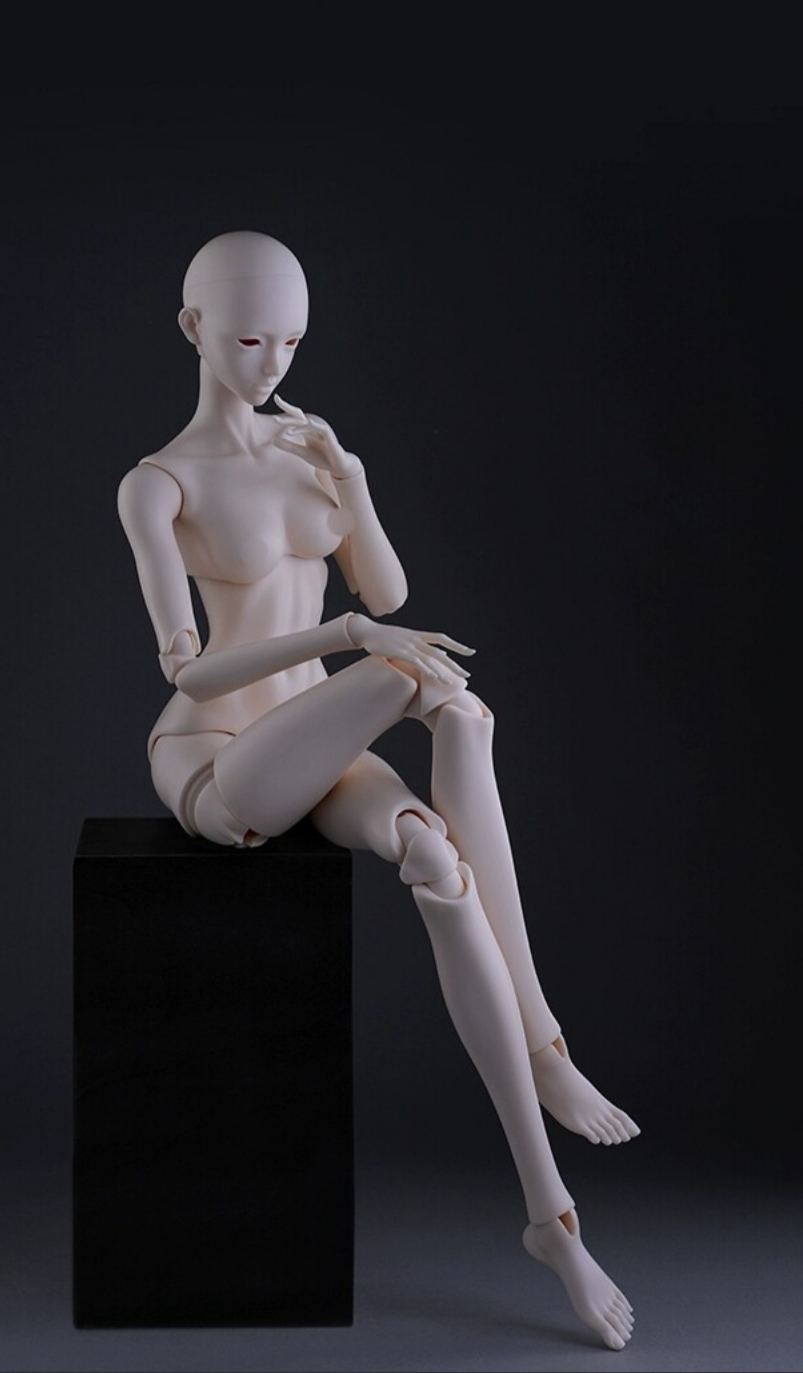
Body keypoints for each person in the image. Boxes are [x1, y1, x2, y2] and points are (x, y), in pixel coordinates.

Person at [117, 230, 638, 1351]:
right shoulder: (158, 482)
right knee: (419, 682)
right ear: (194, 327)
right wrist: (347, 635)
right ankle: (545, 1045)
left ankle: (550, 1215)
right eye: (248, 340)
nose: (272, 364)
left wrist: (349, 483)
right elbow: (187, 670)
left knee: (438, 845)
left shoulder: (308, 447)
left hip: (321, 741)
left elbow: (389, 588)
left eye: (292, 341)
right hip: (217, 756)